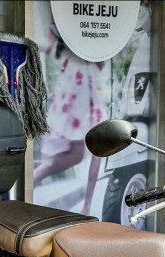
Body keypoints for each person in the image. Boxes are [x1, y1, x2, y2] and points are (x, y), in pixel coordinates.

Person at [33, 24, 105, 214]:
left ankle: (34, 177)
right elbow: (48, 45)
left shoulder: (65, 14)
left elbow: (48, 45)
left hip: (79, 81)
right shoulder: (64, 14)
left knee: (83, 152)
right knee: (93, 148)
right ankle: (87, 207)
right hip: (80, 81)